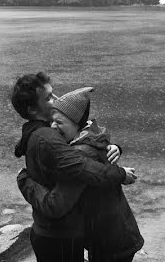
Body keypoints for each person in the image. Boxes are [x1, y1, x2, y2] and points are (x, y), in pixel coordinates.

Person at [11, 72, 137, 262]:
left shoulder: (40, 133)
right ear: (32, 109)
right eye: (48, 97)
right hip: (63, 237)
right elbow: (82, 166)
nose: (56, 99)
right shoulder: (49, 138)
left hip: (75, 236)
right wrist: (120, 173)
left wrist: (114, 149)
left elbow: (91, 141)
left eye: (53, 94)